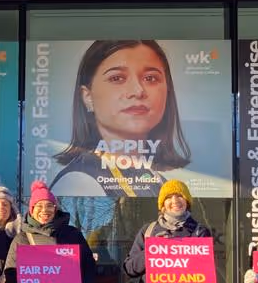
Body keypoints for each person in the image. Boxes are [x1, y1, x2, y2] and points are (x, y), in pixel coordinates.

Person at [52, 40, 191, 198]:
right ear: (87, 96)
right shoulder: (79, 181)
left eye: (151, 78)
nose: (138, 91)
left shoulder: (156, 178)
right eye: (117, 78)